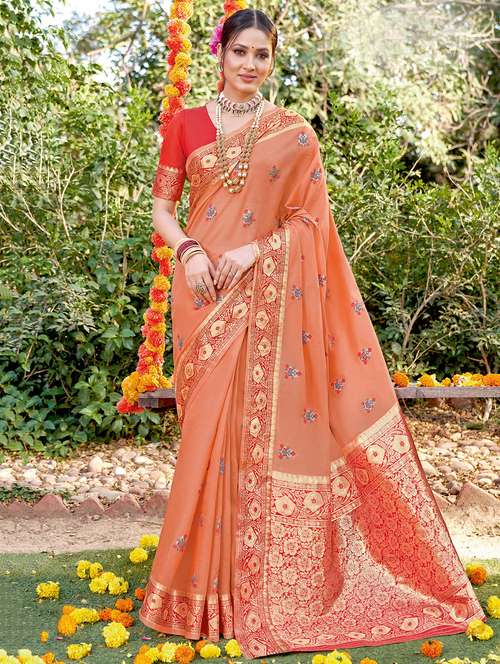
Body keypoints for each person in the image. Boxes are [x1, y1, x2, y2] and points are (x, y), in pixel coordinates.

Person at [138, 7, 487, 659]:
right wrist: (188, 251)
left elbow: (310, 224)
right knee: (206, 441)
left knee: (256, 436)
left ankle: (259, 591)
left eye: (261, 55)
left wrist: (255, 252)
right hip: (203, 296)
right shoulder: (184, 125)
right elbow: (162, 208)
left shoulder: (294, 134)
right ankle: (201, 592)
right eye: (240, 51)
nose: (249, 64)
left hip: (266, 293)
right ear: (220, 53)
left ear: (272, 61)